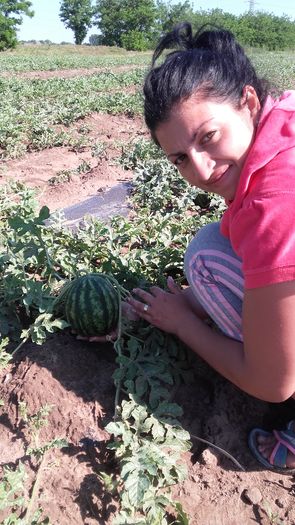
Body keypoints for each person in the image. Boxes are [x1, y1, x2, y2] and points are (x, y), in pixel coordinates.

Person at [125, 22, 295, 473]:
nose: (199, 169)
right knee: (212, 248)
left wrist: (183, 323)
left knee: (205, 258)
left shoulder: (276, 203)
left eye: (208, 137)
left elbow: (272, 383)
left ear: (249, 101)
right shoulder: (285, 120)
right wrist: (179, 304)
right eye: (179, 158)